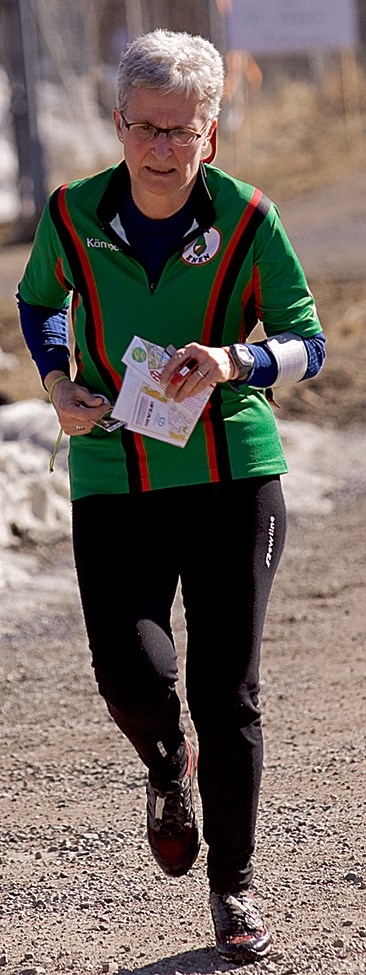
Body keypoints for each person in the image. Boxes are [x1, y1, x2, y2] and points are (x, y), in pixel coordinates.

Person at [17, 28, 326, 964]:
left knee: (228, 694)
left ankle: (233, 887)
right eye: (144, 127)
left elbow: (310, 341)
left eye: (179, 130)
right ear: (119, 124)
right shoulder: (72, 216)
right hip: (114, 475)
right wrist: (56, 379)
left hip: (232, 476)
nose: (160, 148)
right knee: (132, 676)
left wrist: (236, 357)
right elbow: (41, 302)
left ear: (212, 131)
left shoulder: (248, 219)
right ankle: (164, 765)